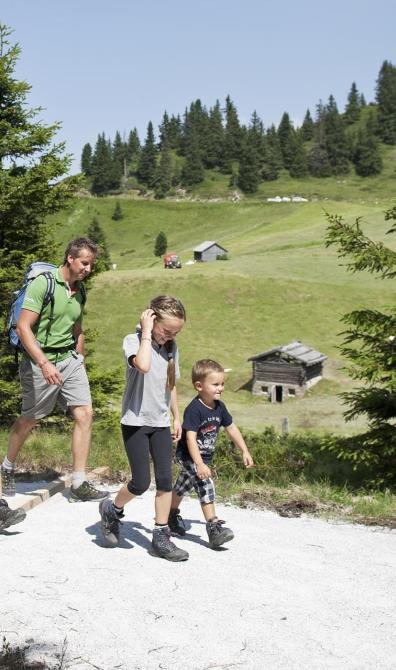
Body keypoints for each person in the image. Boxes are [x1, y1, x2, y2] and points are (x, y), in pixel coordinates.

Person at [1, 238, 108, 504]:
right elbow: (23, 327)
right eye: (85, 263)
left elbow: (77, 327)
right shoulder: (44, 283)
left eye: (91, 265)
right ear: (70, 258)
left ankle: (80, 482)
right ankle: (7, 467)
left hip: (69, 359)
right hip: (41, 359)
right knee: (31, 418)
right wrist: (44, 363)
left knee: (84, 414)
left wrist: (79, 358)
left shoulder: (79, 290)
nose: (88, 269)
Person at [99, 295, 189, 562]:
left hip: (160, 422)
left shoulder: (172, 347)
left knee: (164, 481)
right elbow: (144, 365)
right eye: (167, 330)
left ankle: (160, 537)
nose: (170, 336)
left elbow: (170, 384)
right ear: (151, 319)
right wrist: (148, 333)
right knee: (140, 483)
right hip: (135, 422)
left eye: (176, 332)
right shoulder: (134, 340)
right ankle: (111, 509)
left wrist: (176, 416)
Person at [168, 359, 254, 549]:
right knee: (205, 484)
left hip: (203, 458)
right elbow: (190, 438)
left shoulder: (220, 407)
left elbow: (231, 428)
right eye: (215, 384)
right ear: (199, 386)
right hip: (189, 456)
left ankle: (169, 514)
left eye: (222, 383)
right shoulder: (194, 409)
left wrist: (245, 450)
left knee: (183, 486)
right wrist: (199, 464)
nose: (220, 388)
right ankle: (213, 528)